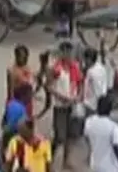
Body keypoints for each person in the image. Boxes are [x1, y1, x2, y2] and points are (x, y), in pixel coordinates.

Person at [47, 41, 83, 170]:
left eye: (70, 52)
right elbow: (49, 86)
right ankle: (48, 159)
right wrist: (60, 97)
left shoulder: (75, 67)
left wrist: (78, 96)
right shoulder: (56, 68)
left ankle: (66, 161)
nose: (68, 55)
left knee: (70, 135)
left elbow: (80, 83)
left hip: (72, 106)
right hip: (60, 106)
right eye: (65, 52)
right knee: (59, 137)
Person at [82, 95, 118, 172]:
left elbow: (86, 139)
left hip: (95, 164)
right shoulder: (114, 127)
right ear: (110, 110)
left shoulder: (89, 122)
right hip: (111, 167)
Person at [80, 47, 110, 119]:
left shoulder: (91, 72)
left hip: (91, 104)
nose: (85, 62)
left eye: (85, 59)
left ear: (89, 59)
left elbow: (96, 88)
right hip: (101, 103)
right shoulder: (102, 68)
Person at [5, 45, 34, 117]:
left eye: (24, 56)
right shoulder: (11, 71)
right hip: (17, 103)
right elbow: (10, 91)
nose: (21, 58)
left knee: (27, 124)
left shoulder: (28, 68)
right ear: (16, 56)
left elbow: (31, 85)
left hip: (28, 103)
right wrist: (10, 106)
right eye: (19, 56)